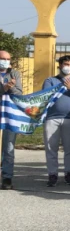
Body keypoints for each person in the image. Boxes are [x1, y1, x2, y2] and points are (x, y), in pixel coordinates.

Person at [43, 55, 70, 187]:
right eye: (66, 64)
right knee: (51, 147)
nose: (68, 67)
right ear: (60, 65)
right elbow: (46, 96)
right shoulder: (50, 80)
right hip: (52, 118)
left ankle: (69, 173)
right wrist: (61, 87)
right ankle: (52, 174)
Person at [0, 50, 22, 190]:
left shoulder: (14, 74)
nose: (5, 61)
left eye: (8, 59)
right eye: (3, 58)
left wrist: (11, 87)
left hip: (9, 115)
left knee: (8, 148)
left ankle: (7, 178)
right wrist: (4, 88)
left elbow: (19, 92)